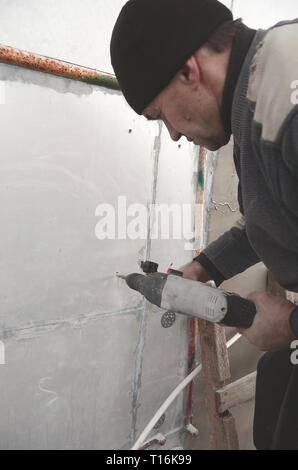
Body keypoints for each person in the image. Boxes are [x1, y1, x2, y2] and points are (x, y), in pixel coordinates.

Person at [110, 0, 298, 449]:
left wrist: (291, 326)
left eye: (161, 116)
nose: (173, 134)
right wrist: (200, 269)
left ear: (189, 71)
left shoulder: (284, 100)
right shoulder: (254, 93)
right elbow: (272, 215)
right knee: (276, 390)